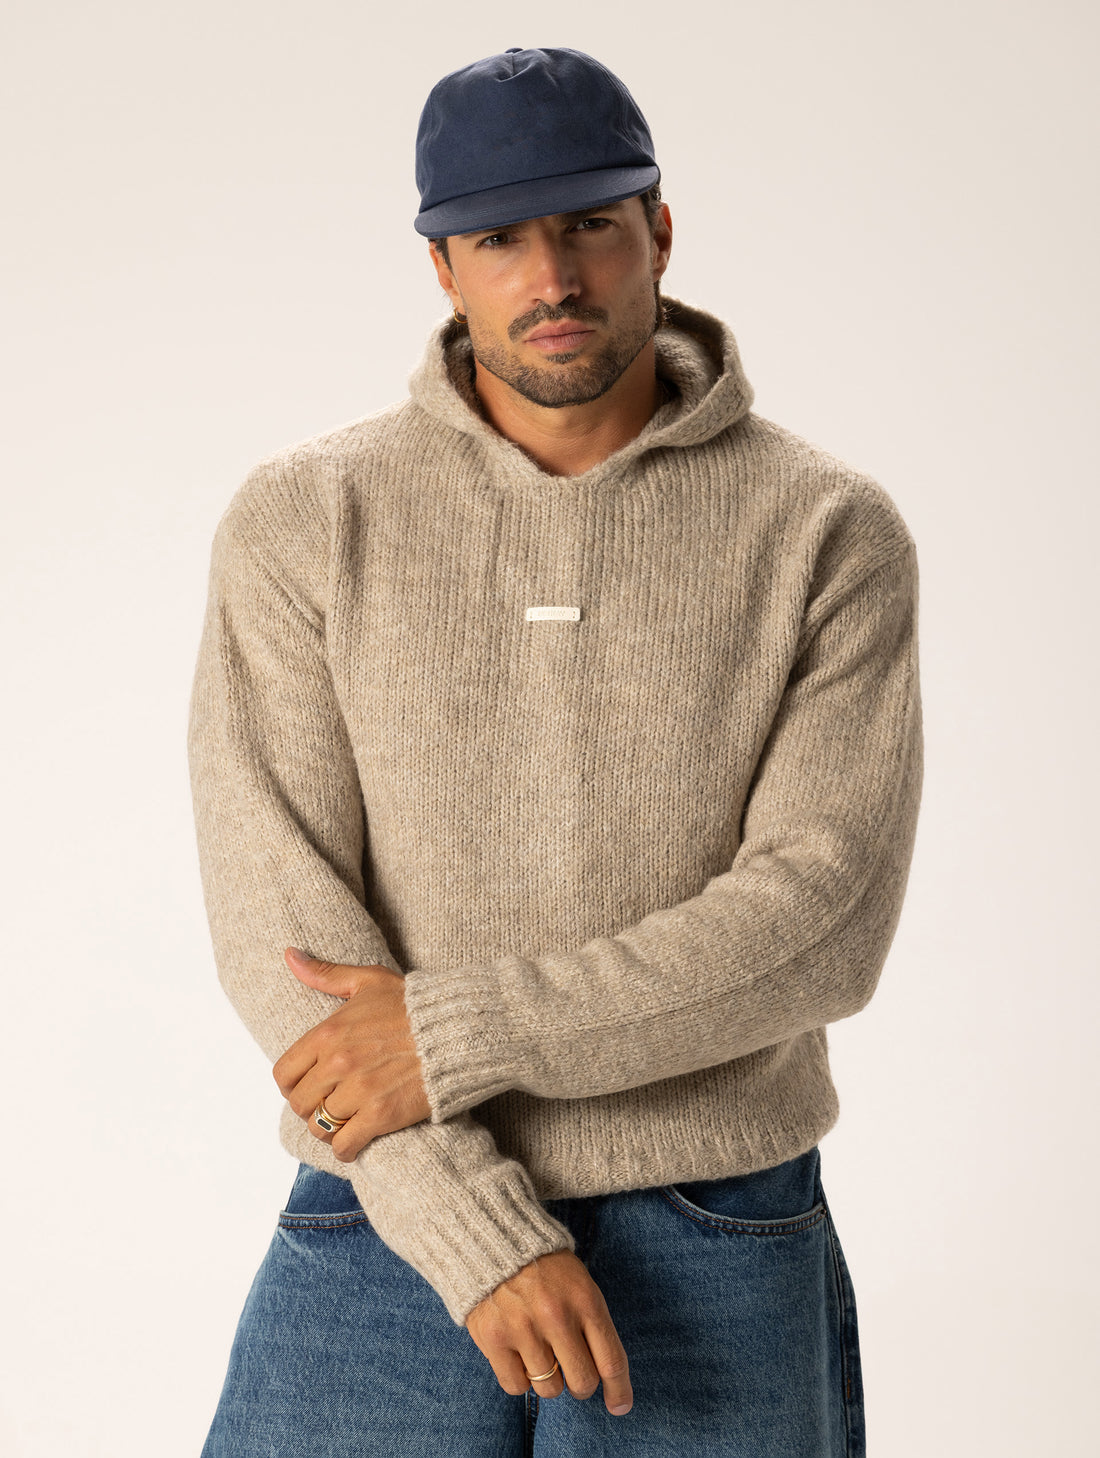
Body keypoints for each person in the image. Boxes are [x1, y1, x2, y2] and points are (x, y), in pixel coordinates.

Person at [187, 45, 922, 1457]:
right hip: (389, 1201)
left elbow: (821, 921)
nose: (553, 276)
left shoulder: (826, 529)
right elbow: (280, 925)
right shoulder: (305, 519)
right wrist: (469, 1222)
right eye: (498, 239)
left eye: (589, 223)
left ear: (660, 229)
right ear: (442, 269)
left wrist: (454, 1037)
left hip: (713, 1209)